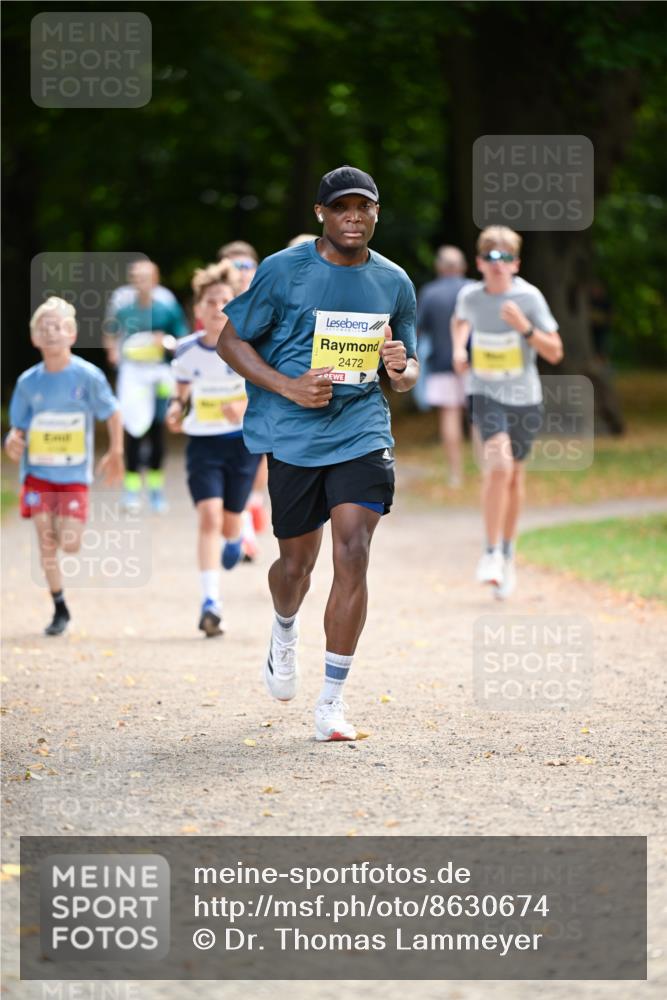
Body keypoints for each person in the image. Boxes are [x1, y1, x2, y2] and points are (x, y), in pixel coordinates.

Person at [218, 164, 418, 741]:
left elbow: (407, 373)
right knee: (295, 567)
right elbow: (230, 341)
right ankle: (284, 628)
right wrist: (288, 386)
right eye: (342, 207)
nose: (353, 217)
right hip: (294, 433)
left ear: (376, 213)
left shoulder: (394, 281)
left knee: (353, 550)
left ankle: (331, 702)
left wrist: (400, 369)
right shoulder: (284, 271)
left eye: (364, 207)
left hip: (361, 428)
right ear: (321, 214)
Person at [452, 226, 564, 599]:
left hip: (524, 396)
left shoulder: (529, 297)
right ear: (479, 262)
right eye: (491, 257)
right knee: (498, 466)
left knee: (514, 477)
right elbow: (460, 319)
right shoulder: (470, 296)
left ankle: (508, 551)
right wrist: (458, 348)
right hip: (484, 392)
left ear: (516, 263)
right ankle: (490, 552)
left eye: (506, 258)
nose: (498, 264)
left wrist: (525, 328)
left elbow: (555, 352)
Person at [5, 297, 124, 635]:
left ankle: (62, 532)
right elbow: (17, 429)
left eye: (58, 327)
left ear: (71, 333)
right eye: (44, 328)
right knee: (46, 539)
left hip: (73, 476)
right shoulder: (28, 382)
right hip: (38, 474)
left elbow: (113, 412)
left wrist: (116, 451)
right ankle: (59, 607)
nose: (51, 333)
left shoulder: (87, 376)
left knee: (69, 543)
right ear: (35, 338)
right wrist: (12, 441)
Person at [165, 262, 260, 637]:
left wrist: (244, 406)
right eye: (211, 301)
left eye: (225, 300)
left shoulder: (249, 345)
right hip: (203, 445)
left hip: (242, 445)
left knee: (229, 521)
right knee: (208, 517)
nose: (218, 307)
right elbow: (179, 395)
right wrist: (174, 410)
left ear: (235, 304)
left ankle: (236, 538)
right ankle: (210, 603)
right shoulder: (186, 350)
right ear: (198, 309)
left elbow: (266, 390)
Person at [103, 259, 189, 513]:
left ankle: (155, 490)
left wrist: (165, 342)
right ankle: (131, 491)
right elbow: (110, 331)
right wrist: (112, 351)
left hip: (160, 374)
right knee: (132, 428)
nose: (139, 282)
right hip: (132, 374)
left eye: (144, 277)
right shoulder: (124, 307)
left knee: (156, 428)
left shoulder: (166, 306)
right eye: (135, 277)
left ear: (155, 279)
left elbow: (181, 339)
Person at [217, 240, 268, 558]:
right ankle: (243, 524)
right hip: (222, 395)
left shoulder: (267, 301)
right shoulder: (215, 306)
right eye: (234, 267)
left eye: (247, 265)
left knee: (258, 456)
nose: (241, 272)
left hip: (258, 388)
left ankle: (252, 508)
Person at [416, 245, 471, 487]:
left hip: (441, 362)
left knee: (450, 415)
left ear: (439, 267)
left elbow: (417, 329)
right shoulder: (474, 290)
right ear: (463, 266)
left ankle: (455, 475)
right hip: (475, 363)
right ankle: (487, 470)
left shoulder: (430, 293)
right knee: (479, 416)